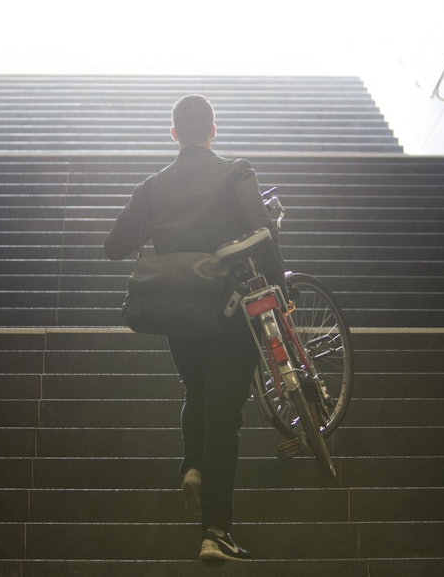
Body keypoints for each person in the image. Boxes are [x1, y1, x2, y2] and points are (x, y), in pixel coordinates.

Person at [103, 94, 284, 562]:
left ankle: (193, 466)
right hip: (228, 309)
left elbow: (114, 245)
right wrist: (282, 292)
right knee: (224, 414)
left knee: (198, 391)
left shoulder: (153, 185)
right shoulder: (235, 172)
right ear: (213, 130)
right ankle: (216, 532)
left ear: (173, 134)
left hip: (177, 313)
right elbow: (264, 234)